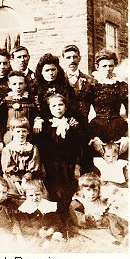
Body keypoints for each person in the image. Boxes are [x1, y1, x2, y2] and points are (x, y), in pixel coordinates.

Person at [36, 93, 82, 222]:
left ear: (66, 107)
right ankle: (56, 221)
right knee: (54, 191)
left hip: (68, 165)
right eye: (54, 106)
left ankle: (68, 220)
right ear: (49, 108)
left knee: (68, 192)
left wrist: (77, 165)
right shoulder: (45, 126)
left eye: (61, 105)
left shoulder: (72, 125)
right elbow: (41, 148)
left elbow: (78, 148)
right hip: (51, 166)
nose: (58, 108)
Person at [86, 49, 128, 163]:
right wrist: (92, 137)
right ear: (97, 67)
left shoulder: (121, 86)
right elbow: (84, 112)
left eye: (111, 65)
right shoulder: (92, 86)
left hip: (118, 128)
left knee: (120, 163)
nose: (108, 69)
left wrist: (128, 136)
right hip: (97, 129)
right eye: (104, 66)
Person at [69, 173, 128, 245]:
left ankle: (124, 235)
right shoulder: (78, 202)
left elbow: (105, 209)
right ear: (81, 189)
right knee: (102, 234)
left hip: (102, 225)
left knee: (114, 217)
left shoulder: (98, 201)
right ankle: (119, 238)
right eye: (88, 190)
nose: (92, 193)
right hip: (87, 227)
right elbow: (79, 220)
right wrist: (93, 218)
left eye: (95, 190)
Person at [0, 70, 37, 148]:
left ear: (25, 84)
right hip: (10, 138)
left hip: (28, 138)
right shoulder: (4, 101)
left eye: (21, 83)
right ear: (9, 85)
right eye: (14, 84)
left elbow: (36, 116)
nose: (18, 87)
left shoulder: (31, 101)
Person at [1, 118, 43, 197]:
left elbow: (34, 168)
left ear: (28, 132)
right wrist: (17, 182)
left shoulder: (33, 148)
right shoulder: (8, 149)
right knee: (13, 193)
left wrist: (25, 180)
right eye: (18, 131)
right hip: (12, 178)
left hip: (29, 177)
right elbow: (8, 169)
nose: (21, 134)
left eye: (24, 131)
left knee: (35, 192)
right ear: (12, 132)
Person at [17, 178, 63, 244]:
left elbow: (57, 222)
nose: (35, 197)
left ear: (42, 193)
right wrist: (38, 231)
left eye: (37, 194)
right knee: (34, 241)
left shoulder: (48, 206)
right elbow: (24, 227)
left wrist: (51, 229)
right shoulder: (24, 209)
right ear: (26, 196)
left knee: (57, 235)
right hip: (35, 234)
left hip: (49, 232)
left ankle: (54, 242)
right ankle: (44, 244)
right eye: (31, 195)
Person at [60, 44, 95, 126]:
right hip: (63, 124)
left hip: (84, 125)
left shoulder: (90, 81)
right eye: (68, 58)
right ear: (63, 59)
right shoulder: (59, 80)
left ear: (80, 58)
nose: (72, 60)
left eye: (75, 57)